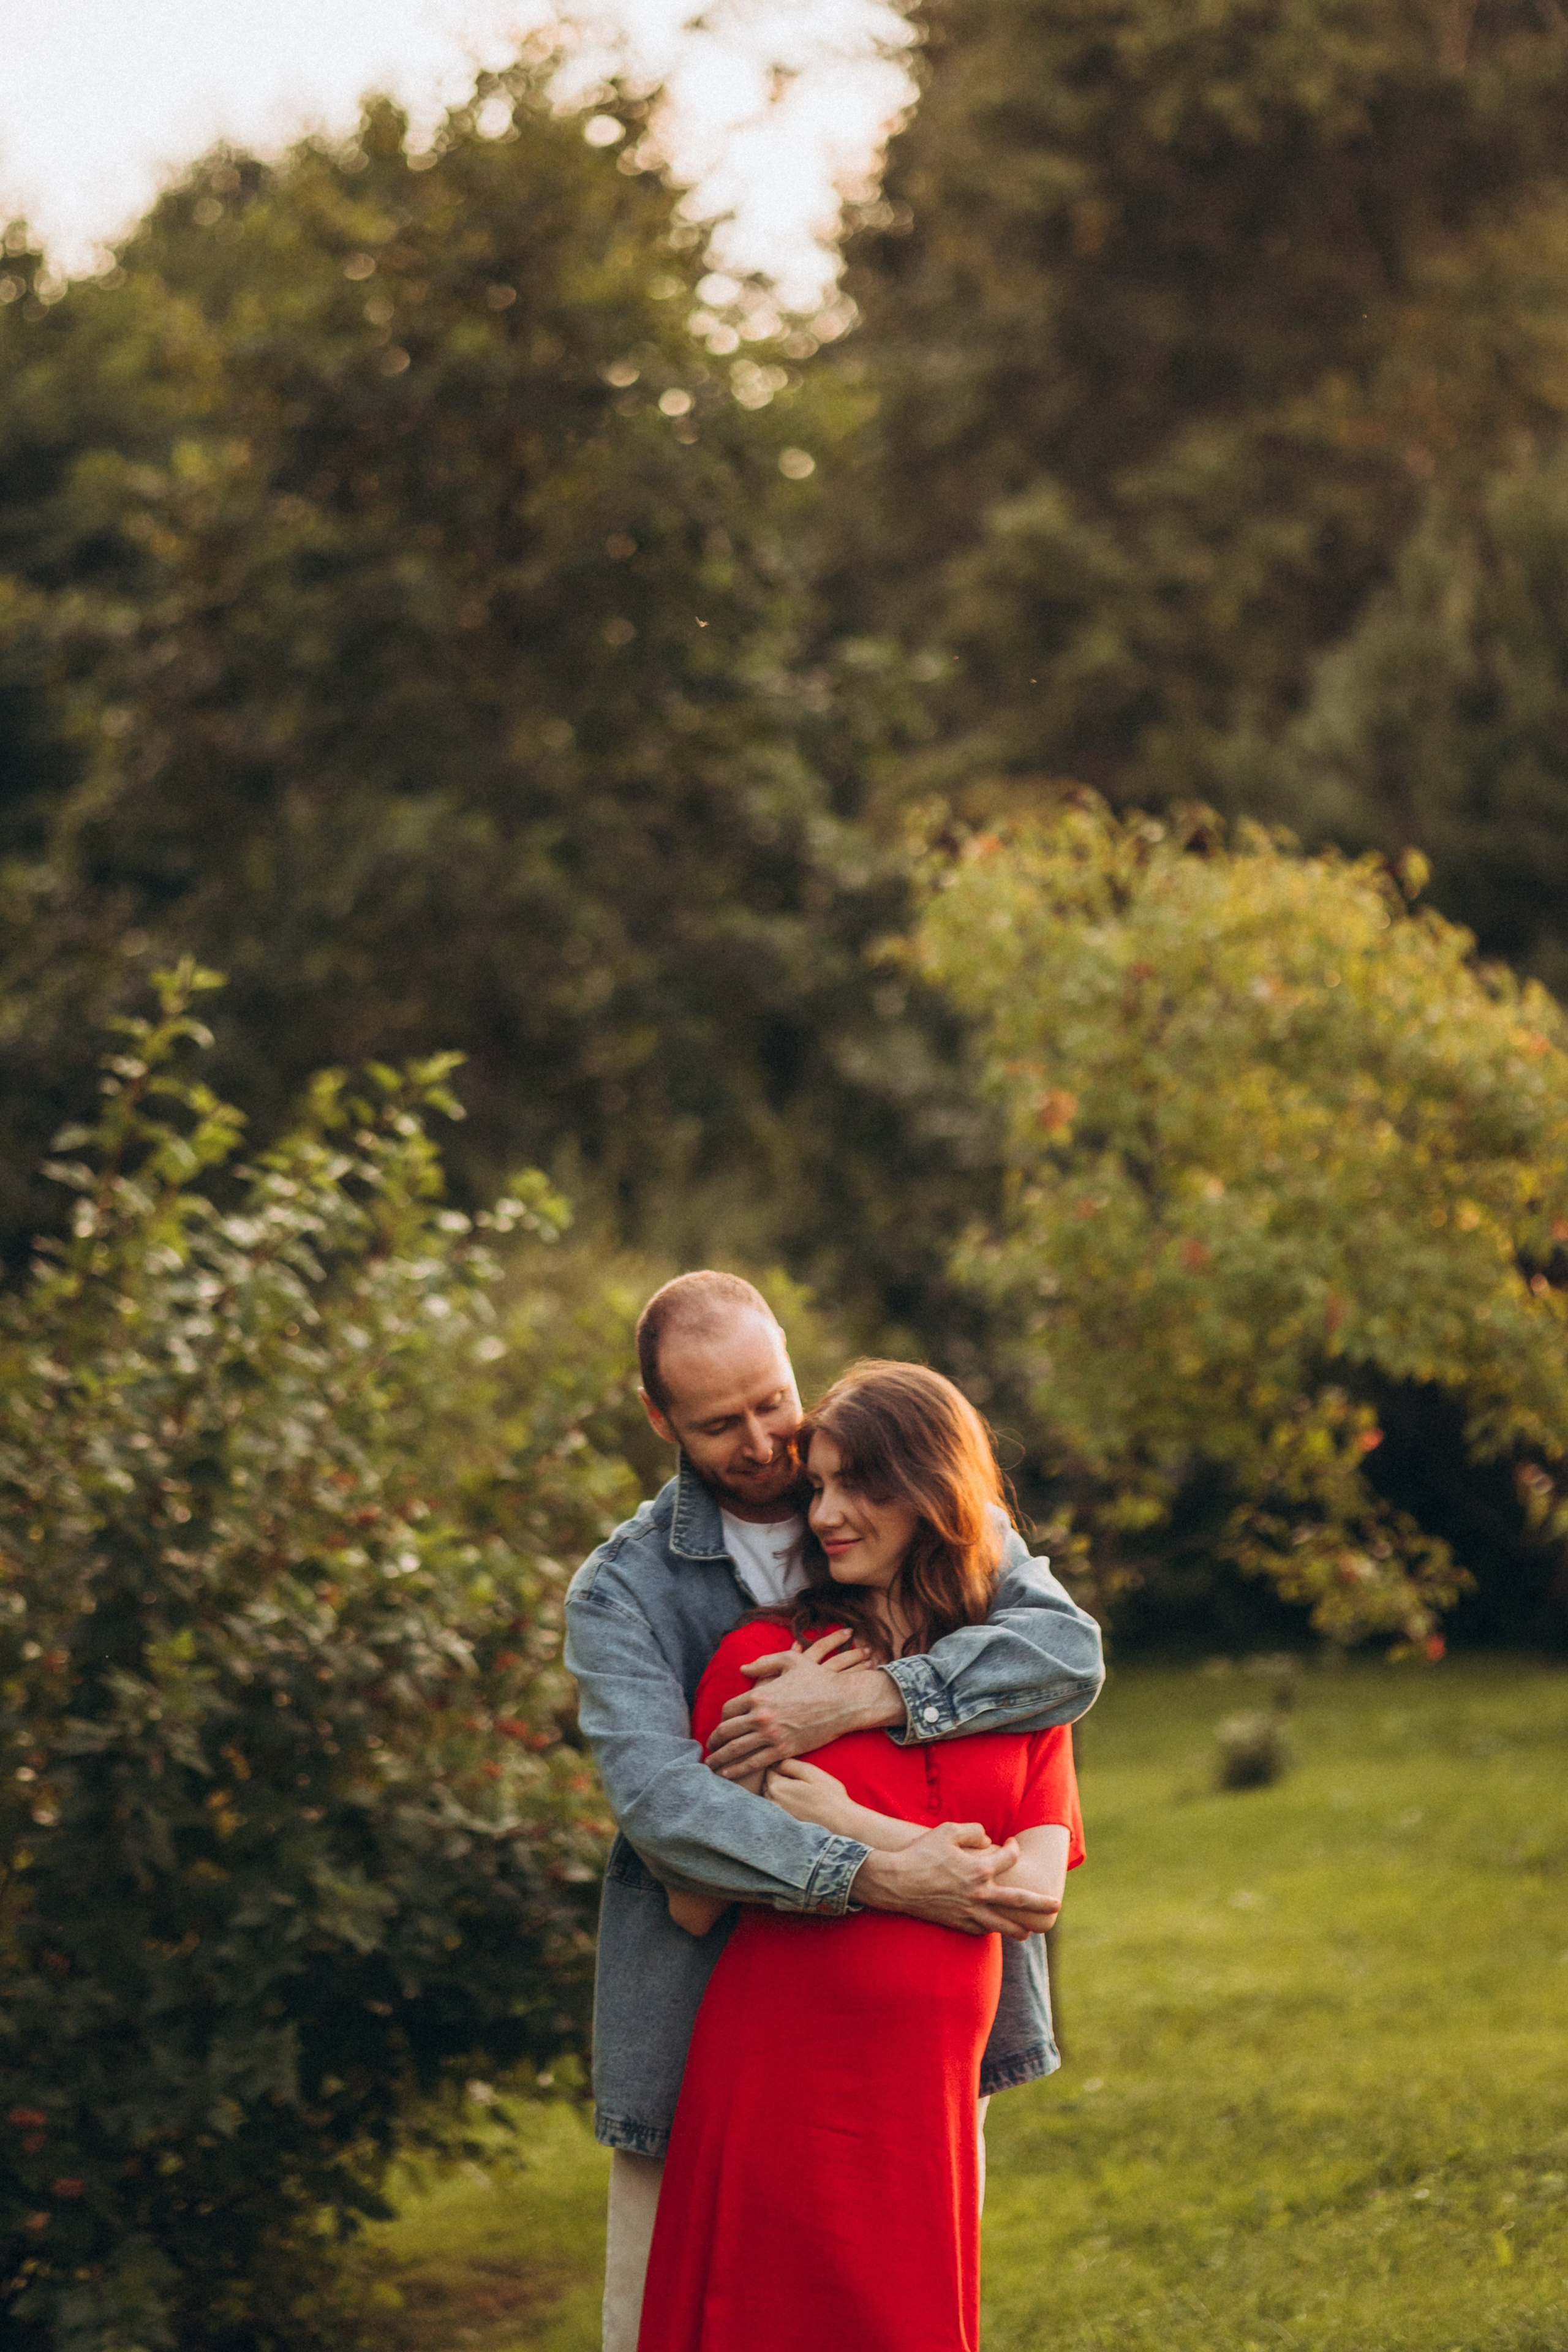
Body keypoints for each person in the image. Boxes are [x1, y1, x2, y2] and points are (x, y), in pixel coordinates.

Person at [564, 1272, 1104, 2352]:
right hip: (716, 2032)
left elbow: (1066, 1656)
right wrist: (885, 1868)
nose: (766, 1443)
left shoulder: (932, 1519)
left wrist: (867, 1696)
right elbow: (668, 1815)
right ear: (662, 1422)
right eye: (720, 1425)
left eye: (775, 1400)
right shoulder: (624, 1591)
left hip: (928, 2064)